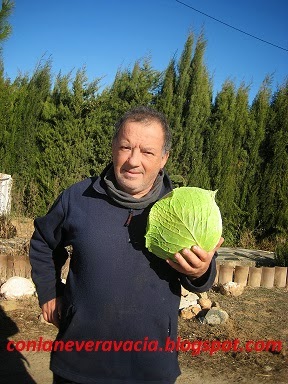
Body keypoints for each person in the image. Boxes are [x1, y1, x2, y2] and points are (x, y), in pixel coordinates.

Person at [29, 106, 223, 384]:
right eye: (125, 147)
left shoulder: (182, 209)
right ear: (113, 148)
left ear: (163, 158)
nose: (134, 160)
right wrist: (48, 292)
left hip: (150, 366)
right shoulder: (78, 197)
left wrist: (200, 270)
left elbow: (200, 279)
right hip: (79, 361)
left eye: (147, 152)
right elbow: (43, 242)